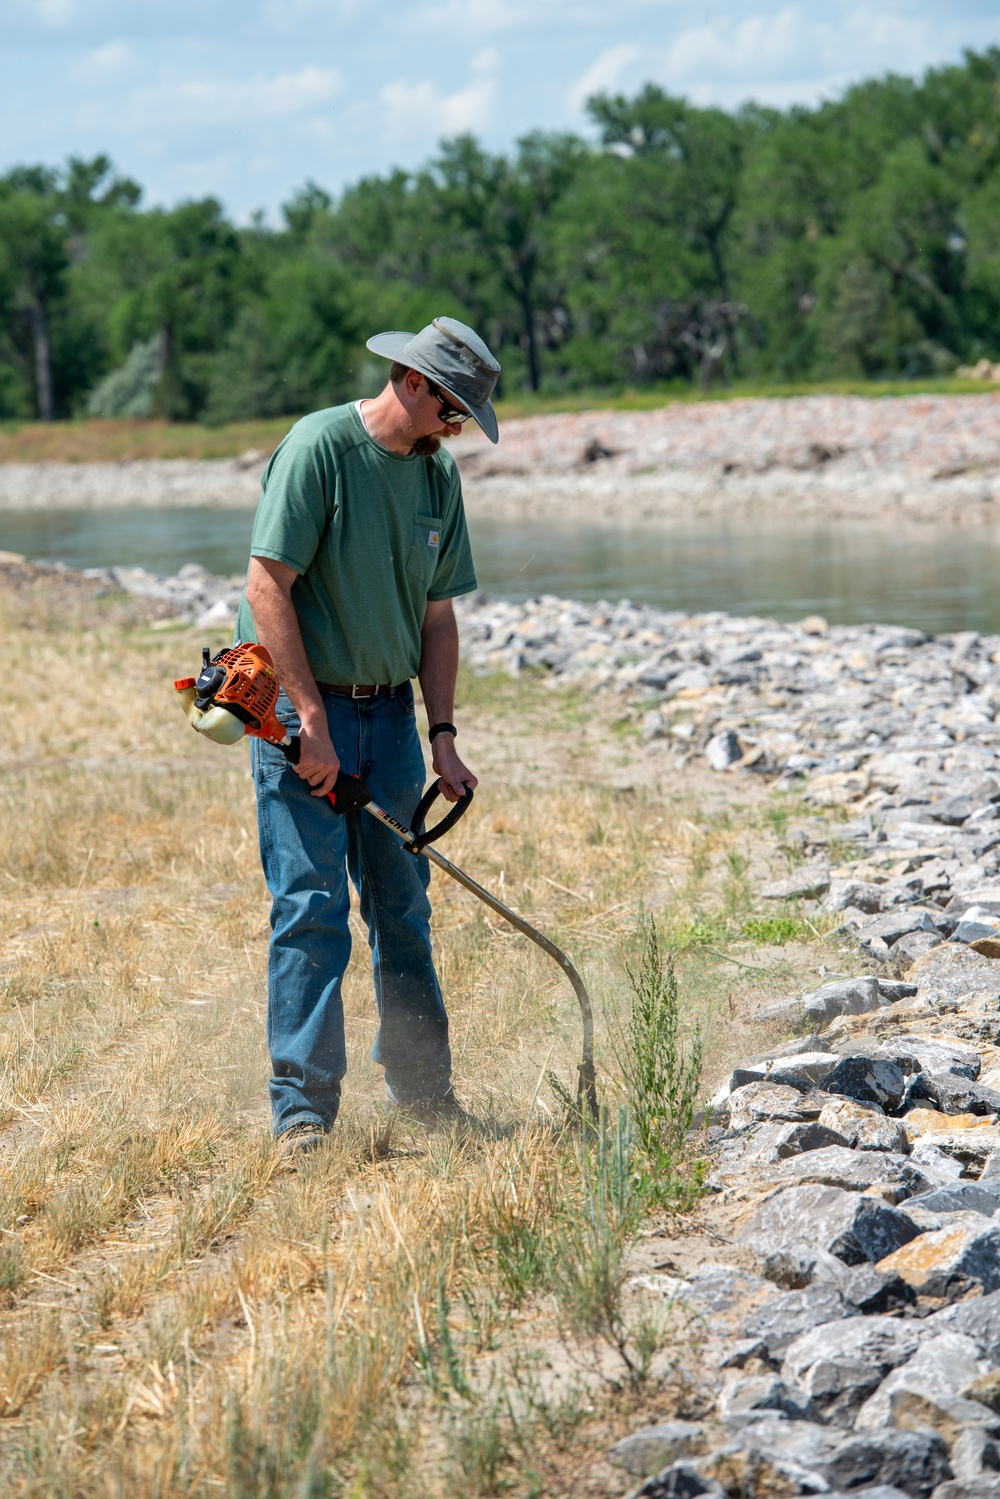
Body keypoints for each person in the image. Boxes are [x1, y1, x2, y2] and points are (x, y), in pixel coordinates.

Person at [234, 316, 501, 1157]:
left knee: (402, 909)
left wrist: (443, 733)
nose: (456, 426)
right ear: (414, 381)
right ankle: (303, 1115)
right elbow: (266, 585)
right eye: (454, 406)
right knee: (312, 906)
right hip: (296, 710)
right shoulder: (318, 448)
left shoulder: (436, 479)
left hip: (387, 718)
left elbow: (439, 617)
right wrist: (308, 721)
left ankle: (425, 1095)